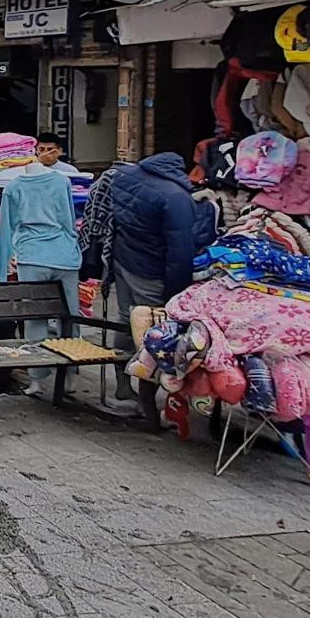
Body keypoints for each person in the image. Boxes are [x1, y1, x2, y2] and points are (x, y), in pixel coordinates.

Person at [106, 151, 219, 424]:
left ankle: (123, 386)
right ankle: (148, 408)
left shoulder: (123, 177)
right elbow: (180, 252)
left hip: (123, 261)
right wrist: (177, 294)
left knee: (125, 320)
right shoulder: (175, 198)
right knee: (156, 334)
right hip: (151, 271)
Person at [0, 162, 82, 399]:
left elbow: (5, 228)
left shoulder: (14, 187)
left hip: (32, 256)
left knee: (34, 318)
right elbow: (68, 219)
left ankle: (37, 380)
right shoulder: (63, 182)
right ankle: (70, 374)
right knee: (70, 316)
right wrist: (69, 241)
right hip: (66, 256)